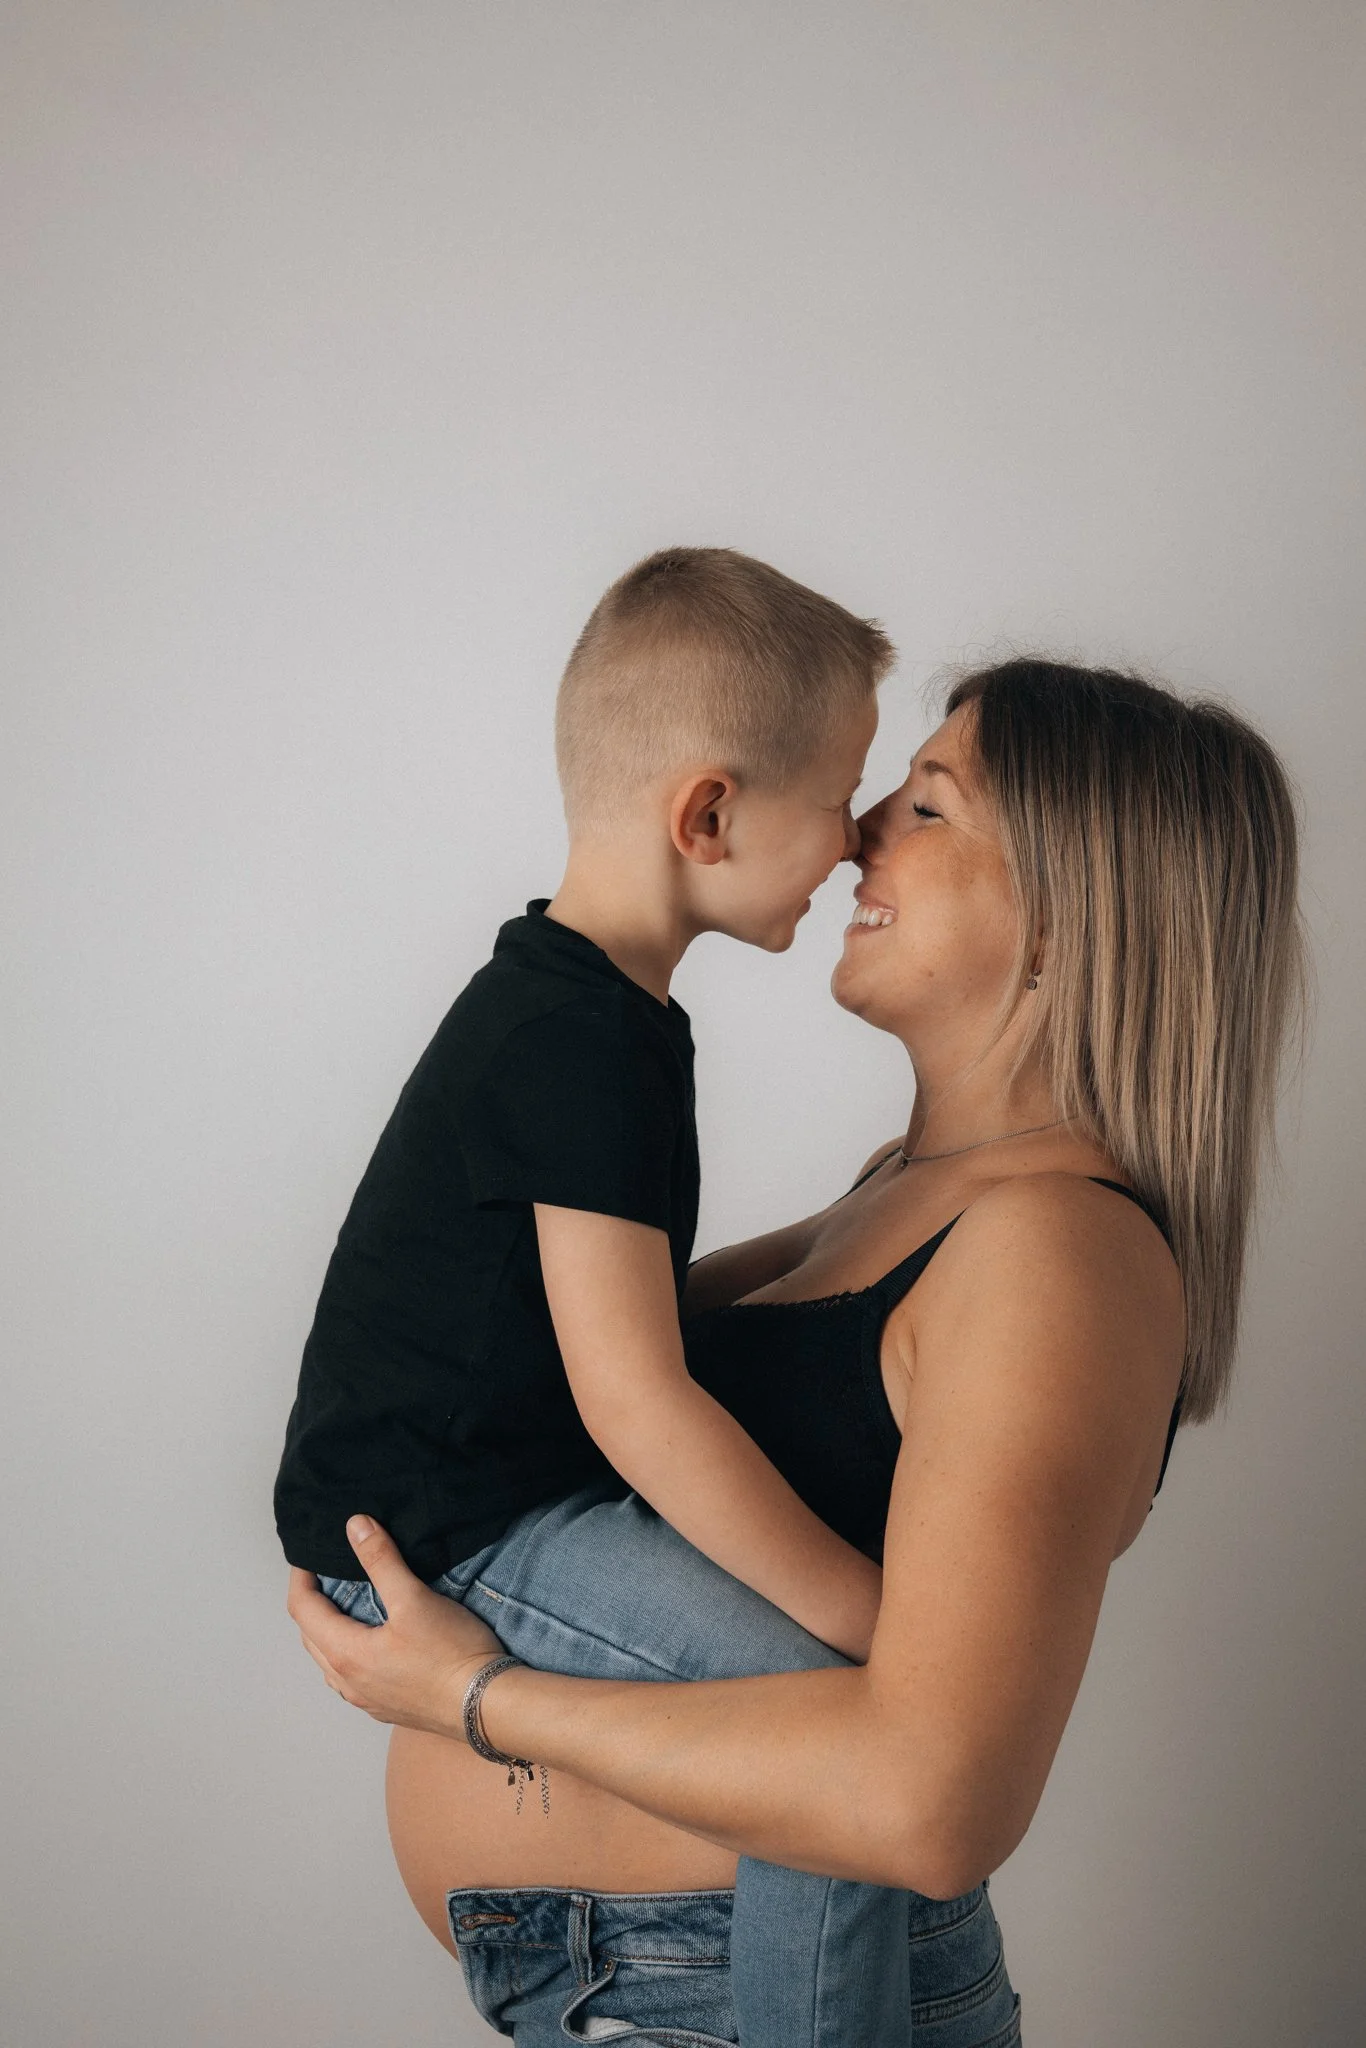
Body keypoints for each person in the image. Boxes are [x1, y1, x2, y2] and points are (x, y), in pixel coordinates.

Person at [291, 657, 1307, 2045]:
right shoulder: (900, 1188)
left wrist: (479, 1700)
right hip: (649, 1980)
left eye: (929, 806)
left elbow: (931, 1804)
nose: (860, 828)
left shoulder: (1053, 1252)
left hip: (726, 1990)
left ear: (1070, 918)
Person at [275, 545, 944, 2046]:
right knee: (831, 1723)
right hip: (446, 1528)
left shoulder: (584, 1010)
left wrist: (848, 1226)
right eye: (840, 792)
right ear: (707, 814)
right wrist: (867, 1616)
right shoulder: (580, 1043)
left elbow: (620, 1309)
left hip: (494, 1491)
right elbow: (634, 1396)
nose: (855, 838)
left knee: (832, 1708)